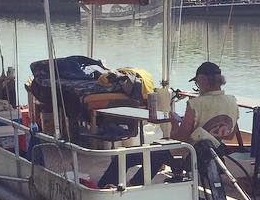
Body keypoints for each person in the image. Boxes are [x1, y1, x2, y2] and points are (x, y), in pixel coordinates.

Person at [96, 61, 238, 188]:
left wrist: (174, 122)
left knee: (127, 156)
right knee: (155, 153)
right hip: (212, 156)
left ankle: (102, 190)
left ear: (201, 80)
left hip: (189, 155)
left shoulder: (196, 104)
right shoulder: (232, 101)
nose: (197, 86)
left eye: (197, 83)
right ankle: (133, 185)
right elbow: (230, 135)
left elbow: (179, 139)